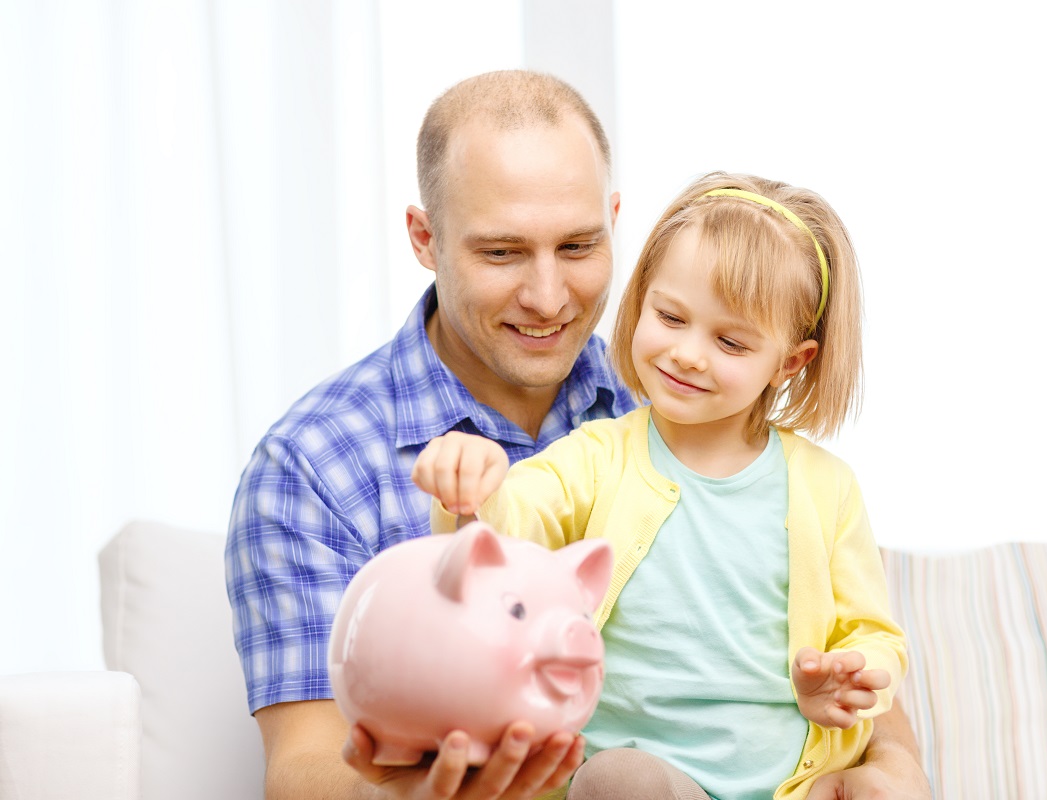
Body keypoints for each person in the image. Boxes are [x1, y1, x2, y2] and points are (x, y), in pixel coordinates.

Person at [225, 70, 931, 800]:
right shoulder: (310, 464)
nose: (547, 296)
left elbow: (837, 653)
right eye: (500, 252)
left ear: (616, 221)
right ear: (424, 238)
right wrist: (414, 794)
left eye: (576, 246)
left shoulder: (682, 400)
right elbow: (304, 767)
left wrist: (893, 770)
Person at [412, 171, 907, 799]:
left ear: (789, 362)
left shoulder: (826, 488)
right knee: (621, 779)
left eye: (729, 340)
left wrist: (854, 675)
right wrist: (469, 486)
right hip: (636, 783)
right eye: (670, 316)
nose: (688, 354)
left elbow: (873, 633)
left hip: (788, 787)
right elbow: (508, 530)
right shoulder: (597, 456)